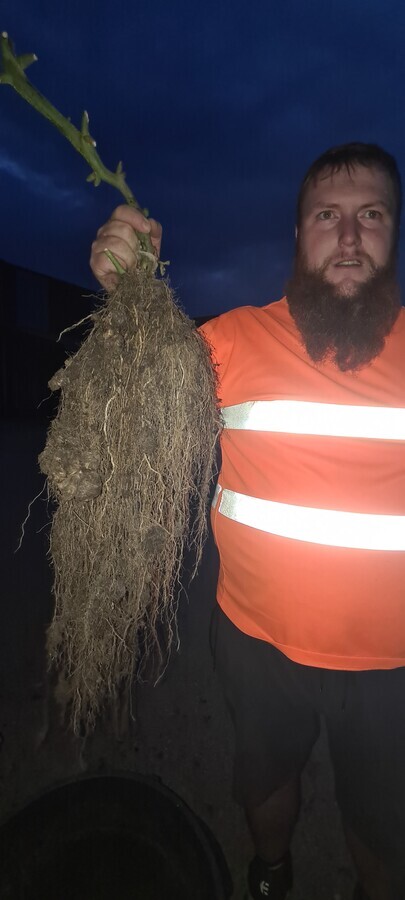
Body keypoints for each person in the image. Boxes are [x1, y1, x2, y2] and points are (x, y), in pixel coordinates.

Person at [89, 143, 405, 900]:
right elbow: (135, 406)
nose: (349, 237)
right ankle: (270, 872)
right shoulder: (231, 340)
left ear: (393, 234)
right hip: (256, 643)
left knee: (383, 826)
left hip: (391, 667)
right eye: (327, 217)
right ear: (298, 235)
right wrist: (128, 299)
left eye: (371, 216)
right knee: (263, 784)